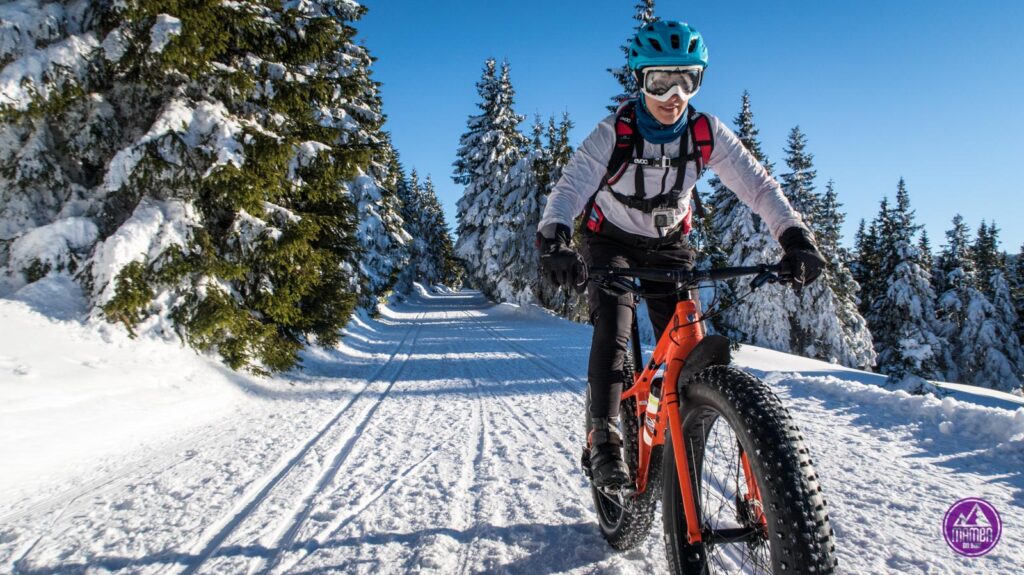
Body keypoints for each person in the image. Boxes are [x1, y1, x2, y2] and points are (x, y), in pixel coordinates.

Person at [536, 20, 826, 489]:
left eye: (687, 79)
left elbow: (757, 186)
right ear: (641, 81)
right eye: (661, 81)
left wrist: (793, 236)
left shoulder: (706, 132)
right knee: (614, 326)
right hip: (609, 241)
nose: (674, 95)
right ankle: (604, 435)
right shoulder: (614, 132)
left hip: (670, 245)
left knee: (690, 345)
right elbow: (569, 189)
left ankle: (687, 417)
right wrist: (555, 239)